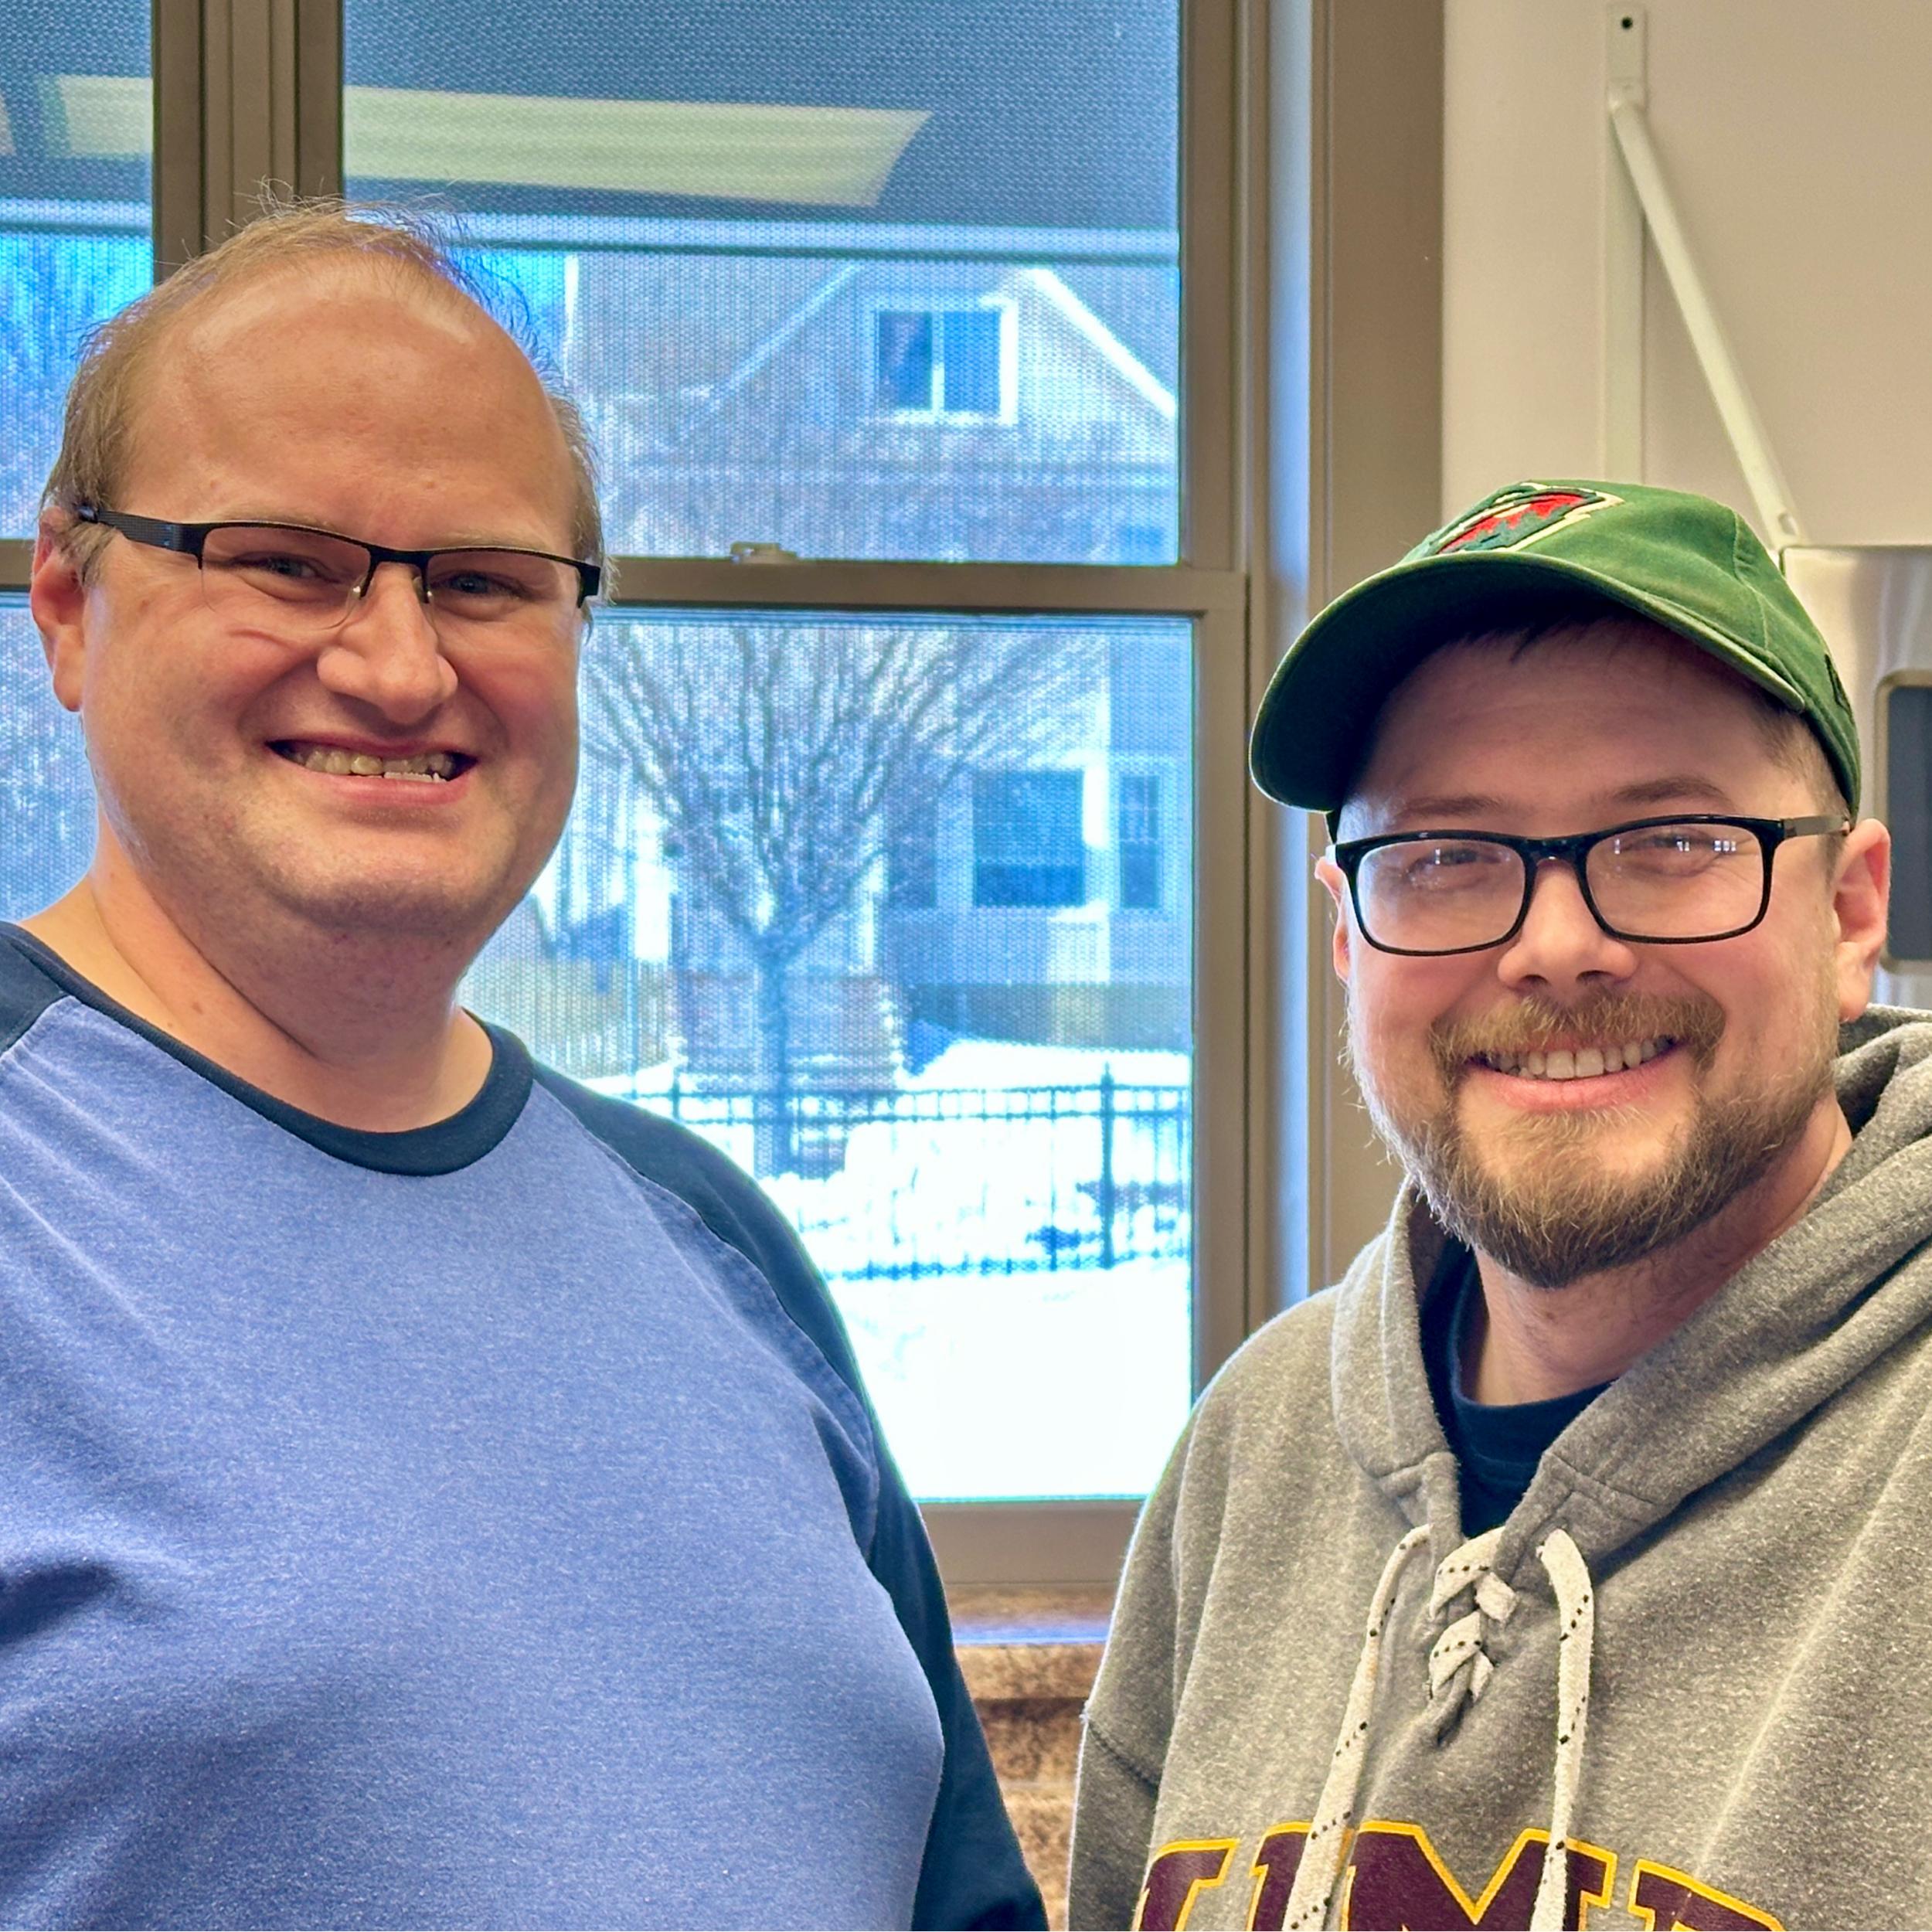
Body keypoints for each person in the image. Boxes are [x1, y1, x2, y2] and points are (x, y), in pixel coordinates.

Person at [9, 201, 1043, 1930]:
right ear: (66, 602)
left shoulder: (711, 1239)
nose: (397, 663)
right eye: (284, 561)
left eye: (482, 581)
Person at [1066, 479, 1932, 1932]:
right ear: (1350, 941)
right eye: (1446, 859)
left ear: (1848, 915)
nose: (1558, 945)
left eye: (1674, 839)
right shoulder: (1257, 1443)